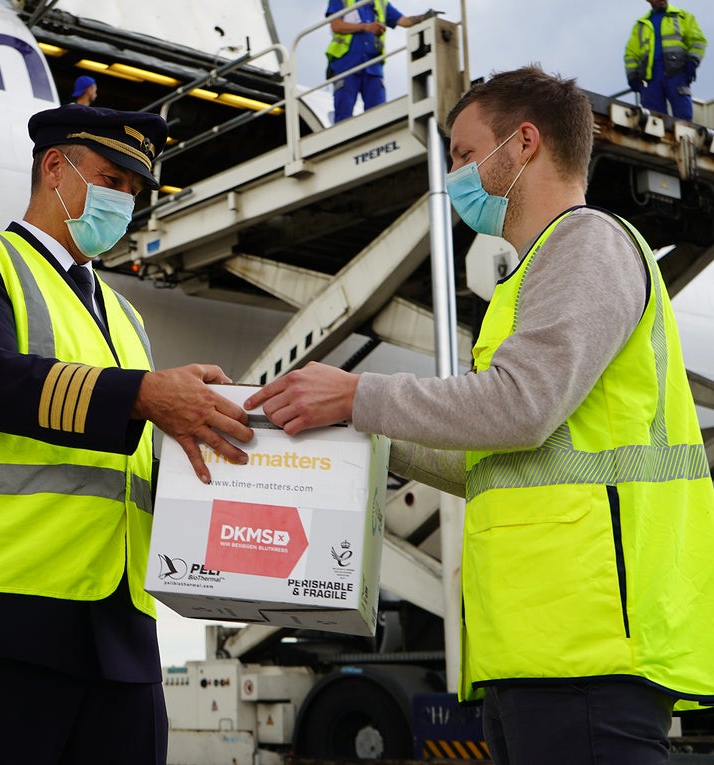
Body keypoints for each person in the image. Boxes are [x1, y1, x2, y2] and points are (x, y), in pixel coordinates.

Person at [245, 66, 714, 764]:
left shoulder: (585, 244)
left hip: (585, 649)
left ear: (525, 143)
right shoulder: (528, 277)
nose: (455, 173)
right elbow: (487, 456)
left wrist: (357, 395)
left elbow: (521, 405)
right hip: (538, 650)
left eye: (464, 153)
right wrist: (362, 432)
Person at [0, 104, 254, 765]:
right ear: (55, 168)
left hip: (120, 629)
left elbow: (135, 452)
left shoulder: (125, 315)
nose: (125, 201)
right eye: (112, 178)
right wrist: (147, 395)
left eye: (134, 190)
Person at [325, 1, 439, 123]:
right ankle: (344, 139)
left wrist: (423, 17)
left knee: (378, 113)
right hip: (347, 64)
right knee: (344, 112)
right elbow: (336, 25)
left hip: (373, 66)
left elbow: (404, 21)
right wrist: (365, 27)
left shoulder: (381, 3)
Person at [625, 0, 706, 121]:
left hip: (677, 73)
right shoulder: (641, 26)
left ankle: (684, 138)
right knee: (654, 119)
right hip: (650, 78)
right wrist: (632, 77)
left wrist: (692, 62)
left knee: (683, 115)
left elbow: (698, 42)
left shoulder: (683, 17)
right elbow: (631, 54)